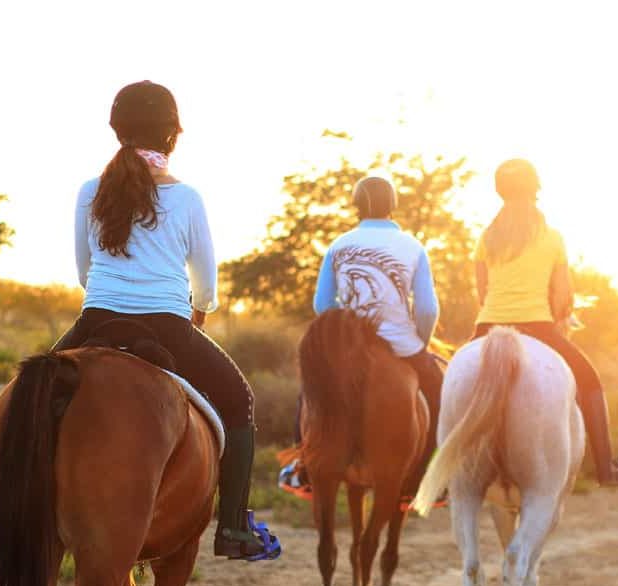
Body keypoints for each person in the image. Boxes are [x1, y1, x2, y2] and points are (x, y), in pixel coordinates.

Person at [53, 80, 280, 561]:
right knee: (239, 401)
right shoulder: (187, 198)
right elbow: (206, 282)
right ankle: (235, 529)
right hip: (170, 328)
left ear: (117, 132)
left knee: (24, 400)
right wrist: (202, 308)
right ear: (171, 136)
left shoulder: (89, 190)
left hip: (95, 320)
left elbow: (82, 270)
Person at [279, 175, 445, 506]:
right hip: (401, 344)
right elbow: (427, 308)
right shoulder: (413, 247)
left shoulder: (338, 245)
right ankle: (425, 480)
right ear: (393, 206)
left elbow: (322, 306)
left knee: (310, 396)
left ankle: (304, 467)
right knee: (440, 397)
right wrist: (420, 344)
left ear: (355, 206)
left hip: (351, 349)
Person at [473, 159, 618, 486]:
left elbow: (481, 291)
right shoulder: (552, 238)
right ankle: (606, 468)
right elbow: (562, 295)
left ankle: (437, 471)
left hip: (487, 327)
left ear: (500, 193)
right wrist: (560, 317)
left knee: (447, 387)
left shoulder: (486, 238)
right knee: (590, 380)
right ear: (535, 192)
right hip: (538, 328)